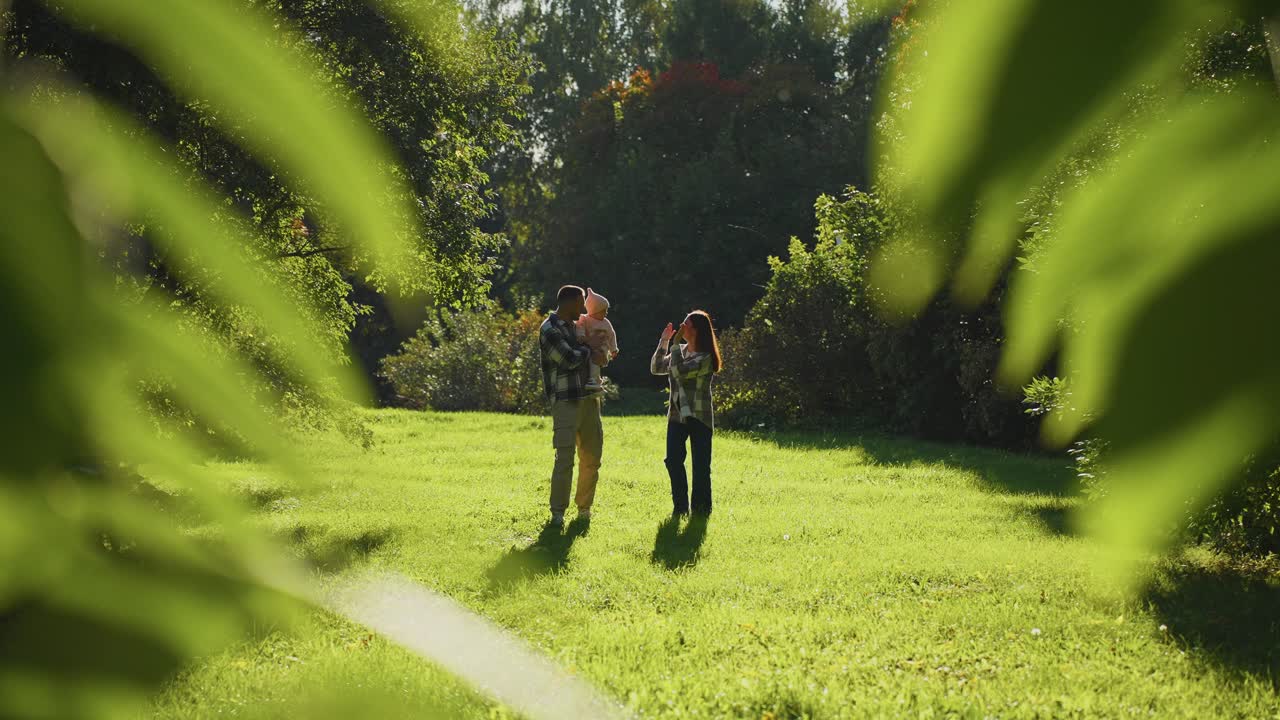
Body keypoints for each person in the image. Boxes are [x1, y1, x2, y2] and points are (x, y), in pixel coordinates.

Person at [539, 285, 610, 526]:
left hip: (589, 400)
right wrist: (590, 350)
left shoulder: (579, 326)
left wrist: (597, 352)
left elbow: (599, 351)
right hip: (566, 401)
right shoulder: (549, 329)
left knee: (592, 457)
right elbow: (568, 359)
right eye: (580, 303)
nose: (583, 309)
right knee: (565, 458)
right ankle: (557, 513)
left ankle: (584, 509)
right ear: (568, 303)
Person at [650, 310, 722, 517]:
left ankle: (701, 510)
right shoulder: (678, 350)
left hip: (699, 416)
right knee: (673, 461)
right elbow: (656, 368)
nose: (682, 327)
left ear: (696, 330)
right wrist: (665, 341)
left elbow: (679, 371)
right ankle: (680, 508)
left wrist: (674, 347)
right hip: (677, 416)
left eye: (686, 324)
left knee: (700, 467)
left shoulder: (705, 357)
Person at [576, 287, 619, 391]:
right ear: (595, 310)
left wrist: (613, 349)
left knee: (596, 363)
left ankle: (594, 381)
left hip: (601, 349)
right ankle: (593, 380)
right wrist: (580, 335)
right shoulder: (585, 319)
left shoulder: (606, 323)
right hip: (589, 347)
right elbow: (579, 326)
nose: (606, 313)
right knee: (591, 362)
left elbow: (611, 336)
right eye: (604, 311)